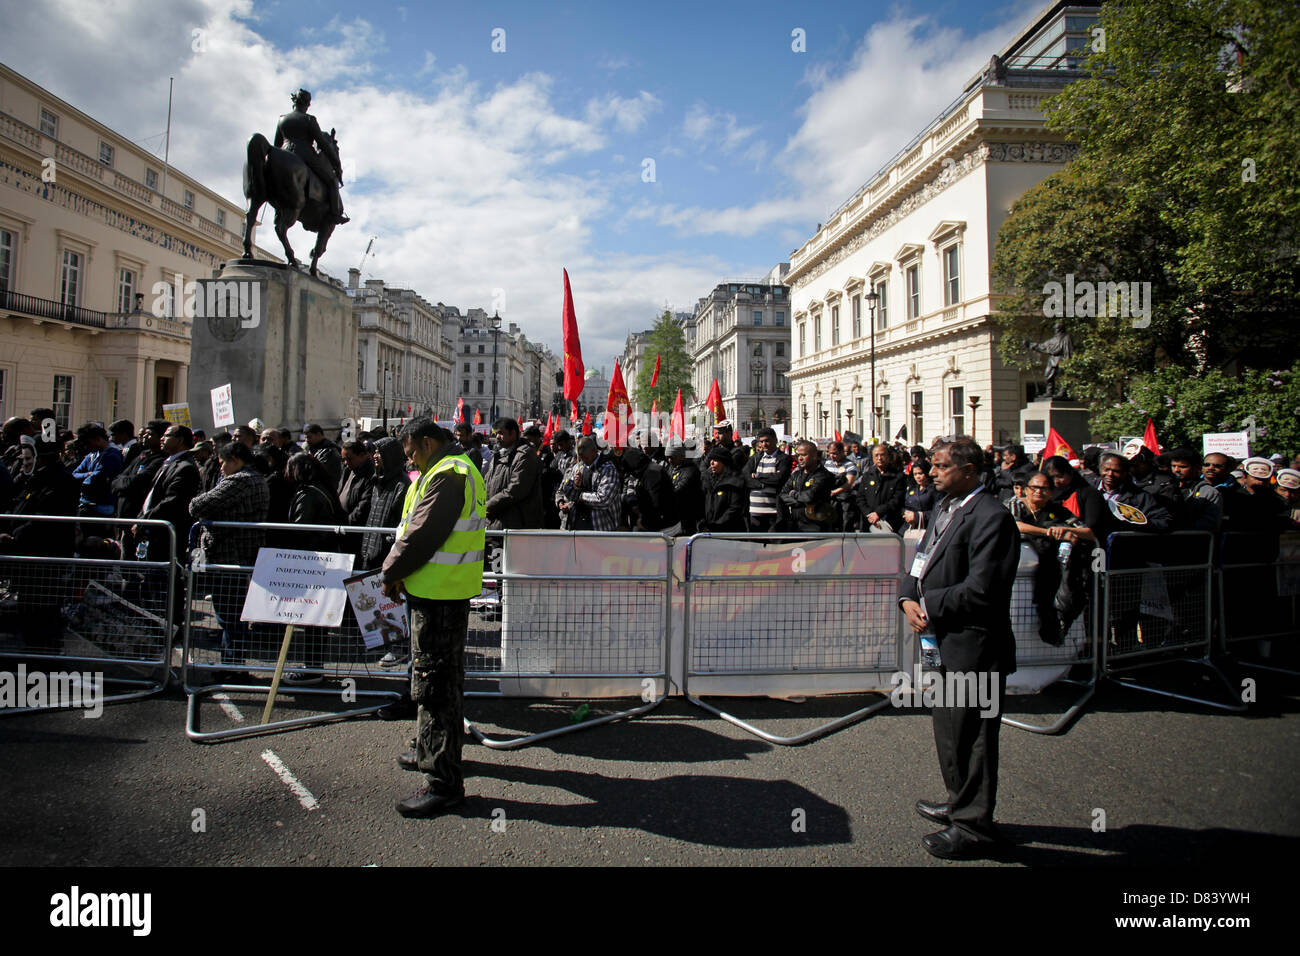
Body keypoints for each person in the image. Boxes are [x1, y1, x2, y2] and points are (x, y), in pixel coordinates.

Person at [899, 437, 1019, 860]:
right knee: (950, 731)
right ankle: (958, 801)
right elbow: (920, 560)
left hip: (975, 647)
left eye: (940, 466)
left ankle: (974, 827)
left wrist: (928, 605)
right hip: (942, 643)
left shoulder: (992, 518)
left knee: (976, 738)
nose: (931, 472)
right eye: (932, 465)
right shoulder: (944, 508)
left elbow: (982, 589)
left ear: (968, 471)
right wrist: (907, 598)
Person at [380, 418, 485, 818]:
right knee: (440, 684)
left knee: (435, 688)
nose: (411, 461)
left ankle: (443, 782)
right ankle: (435, 752)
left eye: (411, 453)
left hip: (440, 595)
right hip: (438, 591)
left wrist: (390, 573)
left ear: (427, 442)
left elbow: (421, 534)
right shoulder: (450, 469)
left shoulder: (450, 473)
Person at [188, 441, 271, 665]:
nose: (221, 468)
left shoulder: (240, 481)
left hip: (231, 553)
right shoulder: (253, 478)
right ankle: (231, 662)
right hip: (237, 552)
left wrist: (201, 506)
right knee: (232, 613)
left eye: (223, 462)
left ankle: (232, 665)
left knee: (230, 613)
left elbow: (197, 505)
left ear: (235, 460)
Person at [275, 88, 349, 224]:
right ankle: (335, 214)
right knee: (332, 182)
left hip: (284, 152)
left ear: (294, 101)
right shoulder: (309, 120)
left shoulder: (282, 119)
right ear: (307, 104)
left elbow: (276, 145)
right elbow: (323, 144)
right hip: (304, 154)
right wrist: (337, 166)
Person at [483, 417, 544, 531]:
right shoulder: (498, 455)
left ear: (513, 433)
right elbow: (487, 482)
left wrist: (488, 505)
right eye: (496, 433)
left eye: (501, 433)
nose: (497, 437)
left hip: (517, 524)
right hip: (496, 521)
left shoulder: (524, 455)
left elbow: (515, 489)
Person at [557, 436, 620, 531]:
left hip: (600, 525)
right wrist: (575, 486)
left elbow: (603, 500)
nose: (584, 461)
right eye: (581, 457)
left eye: (586, 457)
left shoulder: (607, 469)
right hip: (577, 524)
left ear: (594, 451)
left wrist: (581, 496)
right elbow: (568, 493)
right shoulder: (578, 467)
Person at [779, 441, 836, 533]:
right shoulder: (796, 474)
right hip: (795, 524)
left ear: (814, 456)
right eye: (798, 455)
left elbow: (810, 496)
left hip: (816, 525)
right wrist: (799, 501)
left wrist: (793, 494)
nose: (800, 458)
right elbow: (783, 494)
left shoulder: (824, 475)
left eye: (804, 455)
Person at [741, 427, 791, 532]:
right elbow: (745, 476)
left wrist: (758, 476)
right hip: (754, 512)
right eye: (762, 441)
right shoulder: (755, 458)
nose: (764, 444)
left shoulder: (783, 458)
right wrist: (763, 483)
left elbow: (779, 479)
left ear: (775, 440)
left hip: (774, 513)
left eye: (767, 441)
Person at [71, 423, 125, 518]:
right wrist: (89, 474)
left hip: (102, 507)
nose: (86, 447)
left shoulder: (112, 455)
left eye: (88, 443)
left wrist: (86, 476)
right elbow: (74, 474)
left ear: (98, 439)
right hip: (87, 505)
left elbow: (95, 479)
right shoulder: (91, 456)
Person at [857, 443, 905, 533]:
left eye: (882, 455)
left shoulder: (898, 476)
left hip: (889, 522)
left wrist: (878, 513)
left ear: (888, 456)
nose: (879, 458)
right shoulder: (867, 475)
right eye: (876, 455)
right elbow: (860, 498)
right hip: (868, 522)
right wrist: (869, 514)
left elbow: (897, 499)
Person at [700, 446, 747, 532]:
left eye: (715, 460)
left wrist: (717, 525)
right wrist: (702, 522)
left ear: (725, 462)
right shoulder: (706, 479)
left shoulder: (735, 481)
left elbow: (735, 508)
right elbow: (700, 502)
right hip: (708, 530)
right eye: (711, 460)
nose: (712, 463)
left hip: (728, 532)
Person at [665, 438, 703, 535]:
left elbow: (678, 490)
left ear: (682, 456)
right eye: (668, 457)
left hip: (688, 518)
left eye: (673, 457)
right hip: (674, 518)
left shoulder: (691, 471)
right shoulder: (671, 468)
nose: (670, 460)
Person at [823, 441, 859, 532]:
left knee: (845, 525)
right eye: (830, 453)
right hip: (830, 500)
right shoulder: (827, 463)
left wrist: (835, 492)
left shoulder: (850, 465)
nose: (832, 456)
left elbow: (849, 484)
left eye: (835, 453)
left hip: (845, 500)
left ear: (842, 452)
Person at [902, 460, 938, 529]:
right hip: (909, 526)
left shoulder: (934, 489)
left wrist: (917, 516)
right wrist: (906, 514)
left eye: (920, 473)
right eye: (915, 474)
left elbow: (937, 511)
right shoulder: (912, 489)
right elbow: (904, 505)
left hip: (925, 526)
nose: (918, 477)